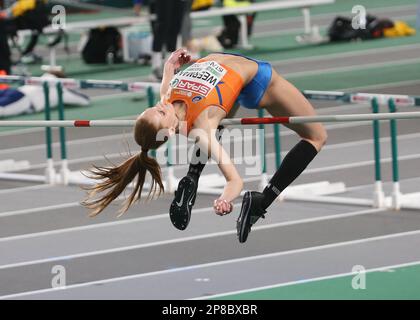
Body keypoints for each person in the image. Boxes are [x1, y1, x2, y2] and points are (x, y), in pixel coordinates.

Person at [82, 48, 327, 244]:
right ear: (168, 130)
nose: (161, 105)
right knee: (316, 136)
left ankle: (192, 176)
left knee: (218, 118)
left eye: (154, 107)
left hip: (231, 78)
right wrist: (225, 199)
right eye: (159, 111)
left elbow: (169, 68)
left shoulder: (166, 95)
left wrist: (176, 60)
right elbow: (235, 181)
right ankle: (261, 201)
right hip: (258, 80)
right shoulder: (202, 128)